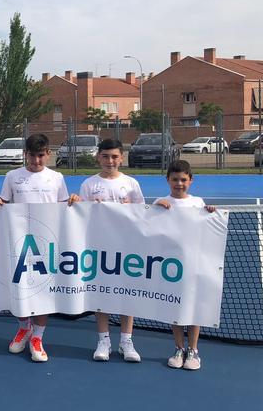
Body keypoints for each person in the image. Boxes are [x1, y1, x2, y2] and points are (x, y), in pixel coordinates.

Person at [0, 134, 79, 362]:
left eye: (41, 155)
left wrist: (72, 201)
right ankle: (23, 328)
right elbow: (4, 204)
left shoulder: (57, 178)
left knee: (43, 293)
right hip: (19, 244)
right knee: (19, 290)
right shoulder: (12, 176)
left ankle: (37, 337)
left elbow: (64, 209)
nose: (37, 160)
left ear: (48, 155)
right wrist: (0, 204)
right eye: (32, 155)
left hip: (47, 245)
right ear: (25, 154)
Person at [77, 138, 144, 363]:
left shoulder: (132, 184)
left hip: (127, 249)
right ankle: (103, 341)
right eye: (105, 156)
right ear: (98, 157)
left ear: (121, 158)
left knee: (128, 294)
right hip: (99, 247)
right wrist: (76, 203)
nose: (110, 160)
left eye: (114, 156)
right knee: (101, 294)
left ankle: (126, 341)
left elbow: (141, 215)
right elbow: (80, 217)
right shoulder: (88, 184)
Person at [154, 160, 216, 371]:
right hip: (171, 266)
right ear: (168, 180)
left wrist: (209, 212)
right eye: (175, 179)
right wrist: (154, 209)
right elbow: (146, 227)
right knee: (175, 307)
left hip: (194, 264)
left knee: (193, 308)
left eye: (183, 180)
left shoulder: (198, 203)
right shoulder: (160, 202)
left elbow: (207, 229)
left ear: (191, 180)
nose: (179, 183)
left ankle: (194, 350)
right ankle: (179, 348)